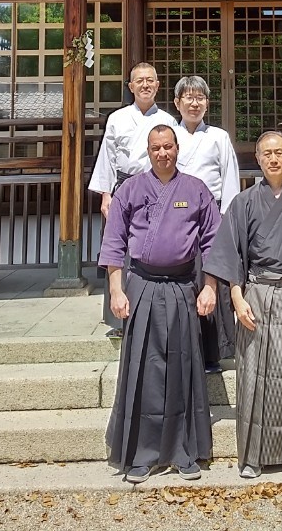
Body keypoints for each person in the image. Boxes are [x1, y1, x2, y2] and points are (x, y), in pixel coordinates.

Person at [204, 131, 282, 480]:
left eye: (279, 152)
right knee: (254, 376)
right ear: (257, 159)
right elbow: (230, 253)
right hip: (257, 293)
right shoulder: (243, 202)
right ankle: (252, 457)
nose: (273, 159)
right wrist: (235, 296)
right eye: (267, 154)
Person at [98, 124, 222, 484]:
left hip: (184, 286)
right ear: (148, 151)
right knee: (144, 370)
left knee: (183, 368)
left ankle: (184, 452)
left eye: (168, 146)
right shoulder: (131, 189)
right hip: (144, 287)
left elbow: (213, 243)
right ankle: (142, 453)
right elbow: (114, 242)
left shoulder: (196, 189)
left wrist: (209, 286)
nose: (163, 153)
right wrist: (117, 290)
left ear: (177, 149)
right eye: (156, 148)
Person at [89, 62, 176, 336]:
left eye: (150, 80)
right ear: (131, 86)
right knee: (118, 249)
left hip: (157, 184)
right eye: (139, 81)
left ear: (158, 85)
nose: (145, 85)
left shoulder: (168, 120)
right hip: (125, 186)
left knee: (151, 249)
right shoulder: (117, 118)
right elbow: (107, 158)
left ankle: (153, 313)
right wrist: (106, 194)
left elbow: (174, 158)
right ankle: (117, 319)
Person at [172, 74, 242, 371]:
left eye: (199, 98)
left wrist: (227, 216)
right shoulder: (166, 135)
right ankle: (179, 350)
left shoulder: (218, 137)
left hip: (211, 214)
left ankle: (213, 352)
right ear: (177, 103)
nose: (194, 103)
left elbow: (229, 179)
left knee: (211, 279)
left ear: (207, 103)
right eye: (188, 97)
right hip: (173, 215)